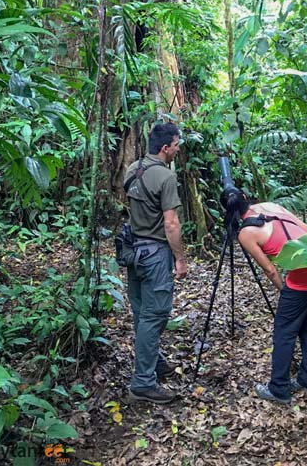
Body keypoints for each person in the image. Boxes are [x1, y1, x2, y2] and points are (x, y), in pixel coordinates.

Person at [222, 189, 307, 405]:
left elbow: (270, 270)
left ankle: (279, 388)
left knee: (284, 332)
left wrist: (285, 290)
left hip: (303, 279)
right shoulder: (270, 206)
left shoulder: (246, 233)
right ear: (246, 198)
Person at [124, 123, 188, 405]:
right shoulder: (165, 176)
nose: (177, 148)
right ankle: (143, 383)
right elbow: (171, 223)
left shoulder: (132, 168)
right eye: (176, 144)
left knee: (142, 312)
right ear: (165, 148)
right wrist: (180, 259)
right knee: (155, 314)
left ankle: (154, 362)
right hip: (154, 253)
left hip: (132, 250)